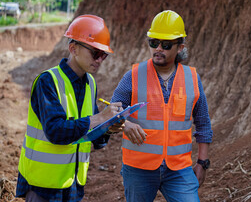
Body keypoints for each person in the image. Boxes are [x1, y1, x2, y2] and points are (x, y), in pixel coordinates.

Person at [16, 14, 124, 202]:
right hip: (43, 186)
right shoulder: (48, 81)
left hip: (73, 185)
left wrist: (108, 126)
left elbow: (93, 137)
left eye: (103, 55)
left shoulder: (90, 83)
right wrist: (99, 118)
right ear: (73, 48)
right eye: (95, 53)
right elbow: (56, 131)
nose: (99, 60)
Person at [111, 10, 213, 201]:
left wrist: (202, 162)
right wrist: (125, 124)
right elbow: (112, 111)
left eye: (165, 45)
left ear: (180, 47)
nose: (158, 49)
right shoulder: (133, 76)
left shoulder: (192, 79)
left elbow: (203, 122)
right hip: (138, 169)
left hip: (179, 170)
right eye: (153, 43)